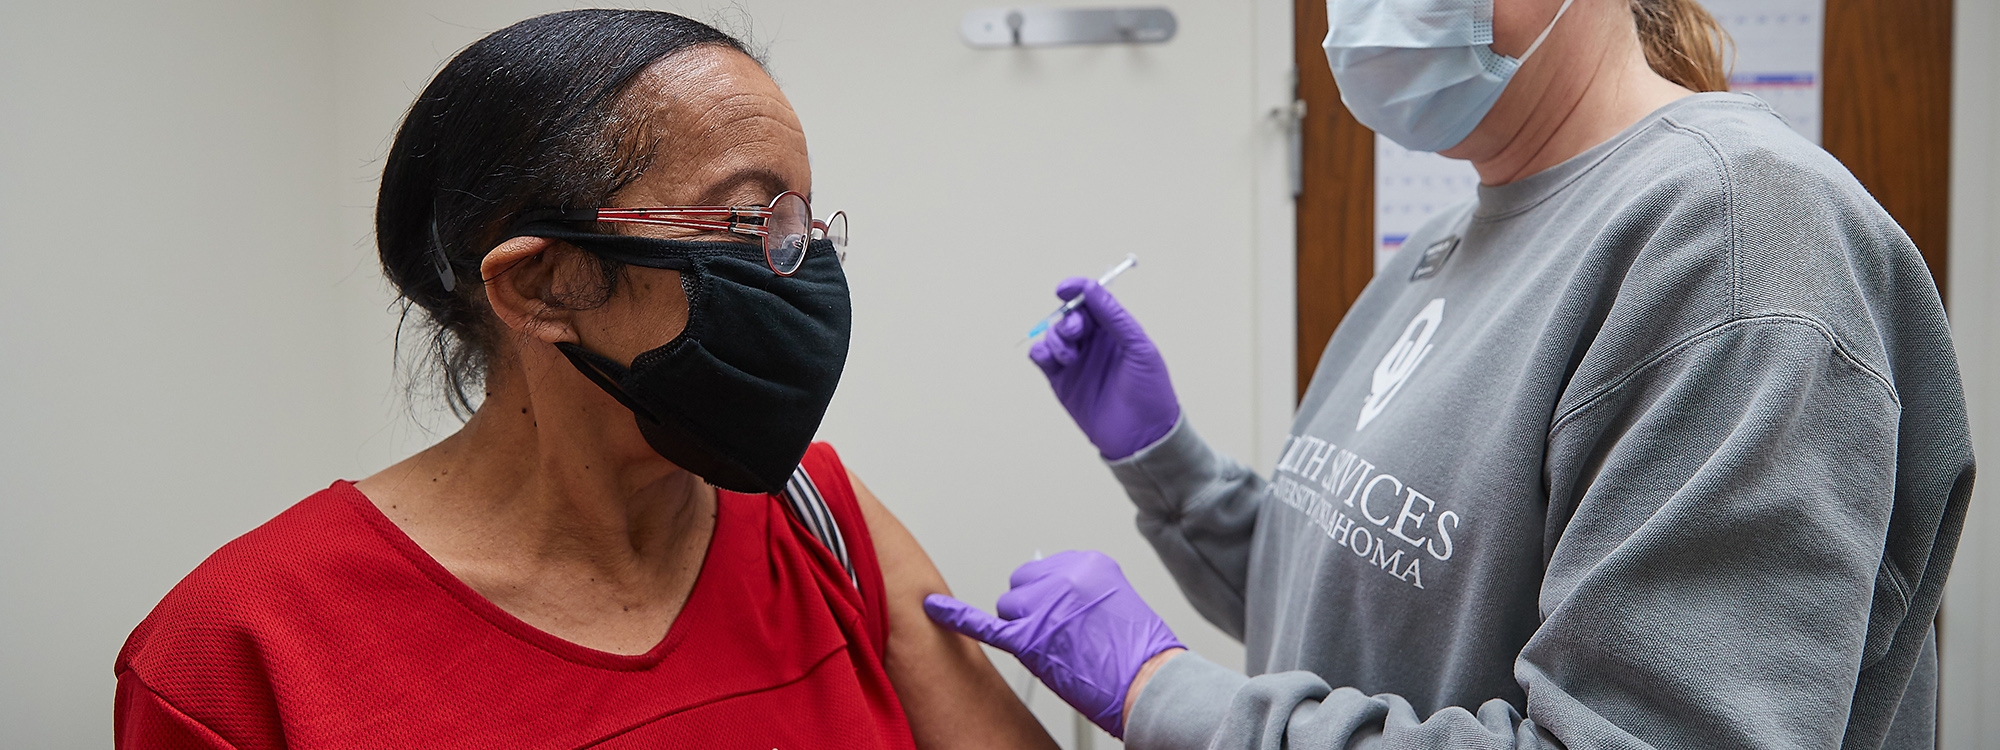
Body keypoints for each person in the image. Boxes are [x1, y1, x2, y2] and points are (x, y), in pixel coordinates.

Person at [924, 0, 1973, 747]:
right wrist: (1167, 466)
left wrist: (1161, 691)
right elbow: (1368, 608)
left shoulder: (1734, 238)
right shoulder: (1446, 244)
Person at [113, 11, 1057, 749]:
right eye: (751, 223)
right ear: (545, 284)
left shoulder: (825, 522)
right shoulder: (242, 654)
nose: (802, 267)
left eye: (802, 224)